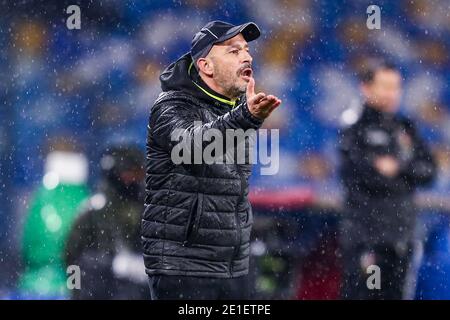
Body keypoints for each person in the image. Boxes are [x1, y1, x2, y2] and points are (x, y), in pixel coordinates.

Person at [142, 20, 282, 300]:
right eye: (233, 51)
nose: (247, 56)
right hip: (184, 267)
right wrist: (246, 118)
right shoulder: (172, 106)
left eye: (246, 49)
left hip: (233, 267)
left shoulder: (237, 112)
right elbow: (193, 150)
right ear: (206, 66)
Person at [338, 59, 436, 299]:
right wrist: (406, 173)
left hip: (402, 237)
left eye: (396, 87)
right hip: (367, 238)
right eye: (386, 86)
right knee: (365, 295)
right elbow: (364, 176)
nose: (393, 94)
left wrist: (398, 168)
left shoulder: (405, 127)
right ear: (366, 88)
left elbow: (430, 171)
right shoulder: (355, 125)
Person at [65, 146, 148, 299]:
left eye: (139, 173)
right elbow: (72, 257)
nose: (135, 180)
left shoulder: (146, 207)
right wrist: (76, 293)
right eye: (130, 173)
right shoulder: (94, 210)